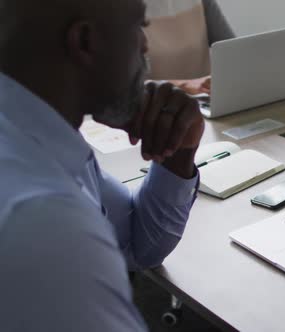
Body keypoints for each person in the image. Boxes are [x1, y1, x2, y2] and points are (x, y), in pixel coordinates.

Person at [0, 0, 204, 330]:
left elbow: (137, 245)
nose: (145, 45)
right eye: (139, 26)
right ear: (85, 42)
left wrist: (180, 151)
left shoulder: (39, 137)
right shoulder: (44, 224)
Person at [144, 0, 235, 95]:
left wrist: (218, 80)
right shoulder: (129, 8)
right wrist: (181, 84)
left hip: (206, 100)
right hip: (154, 103)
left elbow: (233, 52)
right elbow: (129, 80)